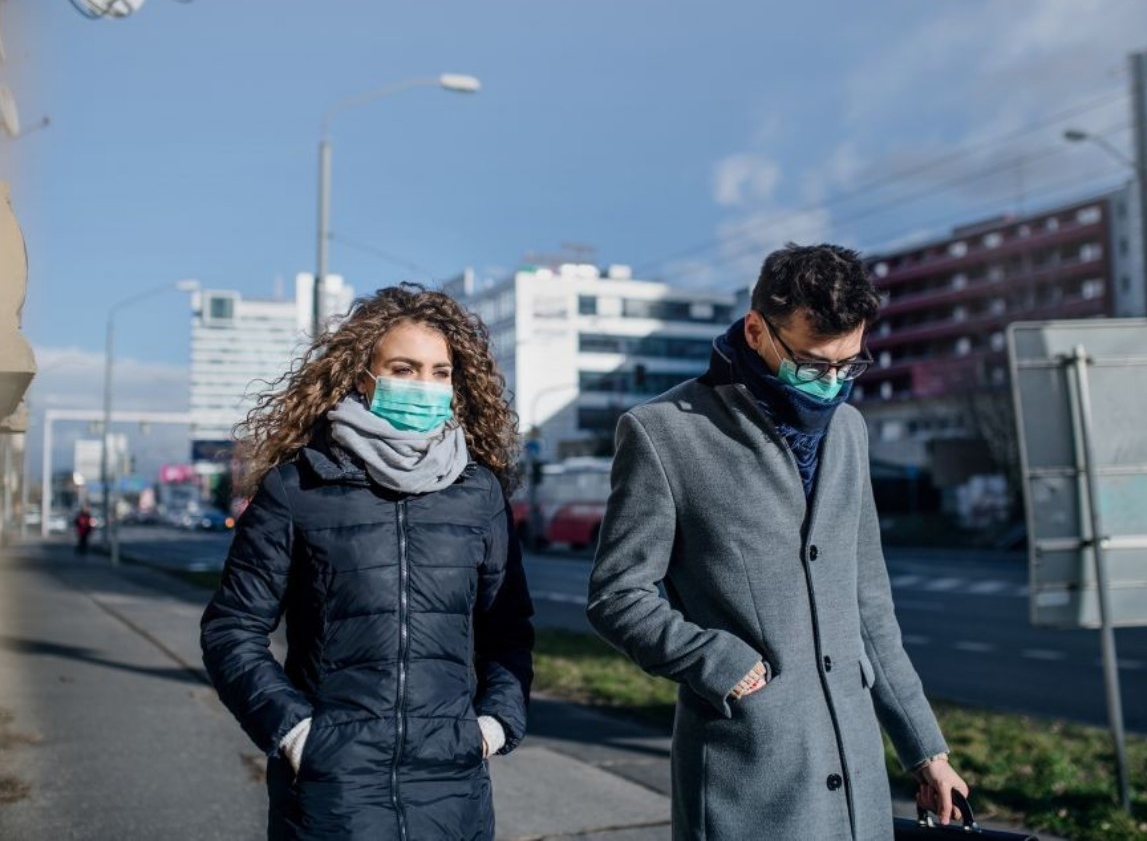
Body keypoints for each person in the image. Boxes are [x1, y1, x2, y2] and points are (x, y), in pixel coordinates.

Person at [587, 244, 968, 840]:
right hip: (749, 777)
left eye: (850, 365)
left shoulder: (849, 430)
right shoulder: (663, 432)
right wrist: (716, 661)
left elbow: (869, 608)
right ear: (757, 329)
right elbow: (618, 595)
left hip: (856, 778)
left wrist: (927, 752)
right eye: (815, 366)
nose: (833, 384)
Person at [200, 284, 534, 841]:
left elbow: (508, 630)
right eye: (404, 368)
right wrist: (295, 732)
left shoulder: (479, 494)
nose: (424, 385)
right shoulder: (296, 488)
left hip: (452, 787)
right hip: (333, 790)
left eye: (439, 372)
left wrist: (494, 725)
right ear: (363, 377)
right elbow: (232, 628)